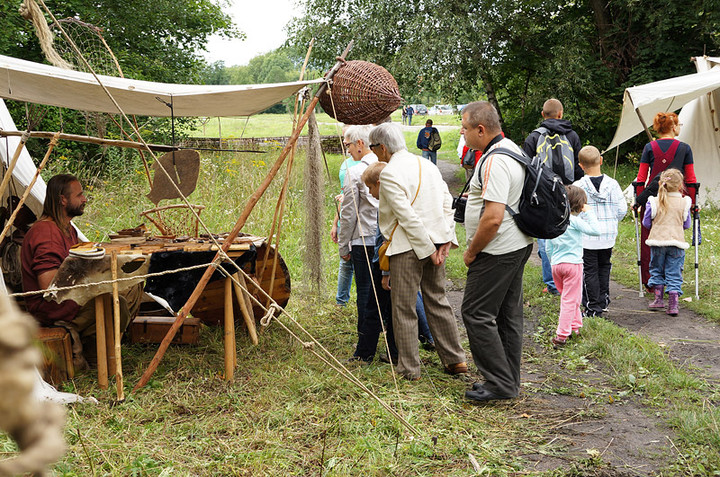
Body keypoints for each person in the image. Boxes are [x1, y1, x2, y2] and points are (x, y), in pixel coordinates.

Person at [369, 122, 466, 380]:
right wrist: (445, 241)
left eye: (373, 148)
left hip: (408, 247)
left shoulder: (389, 173)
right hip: (434, 243)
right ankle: (455, 359)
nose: (374, 153)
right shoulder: (428, 165)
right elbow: (449, 204)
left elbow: (407, 217)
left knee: (403, 307)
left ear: (382, 148)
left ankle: (409, 368)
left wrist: (427, 249)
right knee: (438, 300)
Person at [21, 174, 141, 367]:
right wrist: (93, 277)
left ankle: (98, 343)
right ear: (62, 200)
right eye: (79, 195)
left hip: (69, 300)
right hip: (52, 309)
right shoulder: (46, 233)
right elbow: (49, 286)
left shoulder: (68, 229)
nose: (84, 199)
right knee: (114, 302)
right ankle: (93, 351)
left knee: (132, 286)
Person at [460, 101, 533, 402]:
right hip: (517, 244)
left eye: (465, 128)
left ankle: (498, 382)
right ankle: (507, 380)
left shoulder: (495, 161)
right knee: (507, 314)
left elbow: (492, 218)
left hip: (498, 248)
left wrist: (472, 251)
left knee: (475, 313)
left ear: (480, 129)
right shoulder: (511, 149)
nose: (462, 134)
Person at [523, 98, 583, 296]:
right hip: (568, 190)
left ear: (543, 115)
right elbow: (577, 165)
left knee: (544, 236)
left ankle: (552, 283)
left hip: (543, 192)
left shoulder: (533, 137)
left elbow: (526, 167)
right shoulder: (572, 136)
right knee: (568, 231)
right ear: (561, 113)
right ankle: (570, 276)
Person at [634, 112, 697, 291]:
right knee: (674, 238)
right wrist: (691, 205)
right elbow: (691, 179)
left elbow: (641, 178)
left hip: (653, 200)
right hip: (677, 201)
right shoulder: (685, 148)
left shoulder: (649, 147)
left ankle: (651, 282)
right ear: (674, 126)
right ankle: (673, 282)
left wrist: (640, 202)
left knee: (649, 239)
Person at [337, 125, 380, 362]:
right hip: (384, 237)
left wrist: (344, 246)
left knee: (365, 293)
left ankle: (364, 348)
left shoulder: (356, 173)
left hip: (363, 239)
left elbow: (349, 213)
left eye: (349, 145)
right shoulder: (386, 167)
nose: (348, 150)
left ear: (360, 144)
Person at [573, 146, 627, 317]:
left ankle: (592, 307)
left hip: (587, 237)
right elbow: (621, 209)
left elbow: (573, 211)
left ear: (580, 165)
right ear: (601, 161)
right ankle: (603, 301)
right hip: (608, 235)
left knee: (589, 270)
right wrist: (611, 222)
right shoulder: (613, 184)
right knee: (604, 267)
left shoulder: (578, 186)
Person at [545, 186, 601, 348]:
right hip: (573, 265)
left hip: (557, 265)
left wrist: (552, 261)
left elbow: (548, 246)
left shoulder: (556, 221)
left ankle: (575, 327)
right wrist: (589, 212)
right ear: (579, 205)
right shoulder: (574, 221)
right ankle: (561, 335)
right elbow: (596, 231)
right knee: (570, 300)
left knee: (571, 297)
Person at [642, 168, 692, 316]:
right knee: (674, 272)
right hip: (676, 242)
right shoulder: (684, 202)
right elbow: (687, 224)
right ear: (680, 185)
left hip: (658, 242)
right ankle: (673, 305)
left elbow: (646, 222)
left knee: (656, 269)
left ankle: (658, 300)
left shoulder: (654, 201)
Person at [330, 149, 362, 307]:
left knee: (361, 266)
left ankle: (364, 303)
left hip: (361, 227)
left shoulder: (368, 165)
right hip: (346, 222)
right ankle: (341, 302)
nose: (345, 146)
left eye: (348, 142)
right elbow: (344, 198)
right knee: (345, 263)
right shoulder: (345, 164)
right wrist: (336, 223)